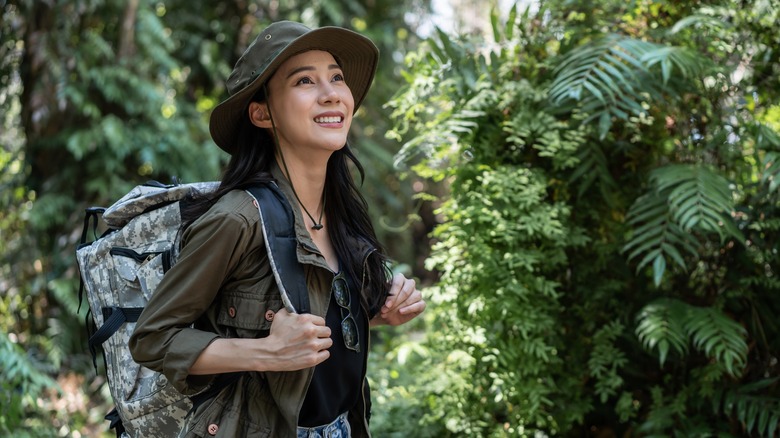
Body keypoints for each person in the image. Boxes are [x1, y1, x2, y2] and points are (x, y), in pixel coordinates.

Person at [128, 20, 426, 437]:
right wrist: (266, 352)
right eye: (305, 80)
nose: (331, 94)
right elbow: (152, 340)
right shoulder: (238, 219)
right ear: (262, 113)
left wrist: (377, 313)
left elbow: (317, 328)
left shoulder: (340, 212)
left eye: (336, 78)